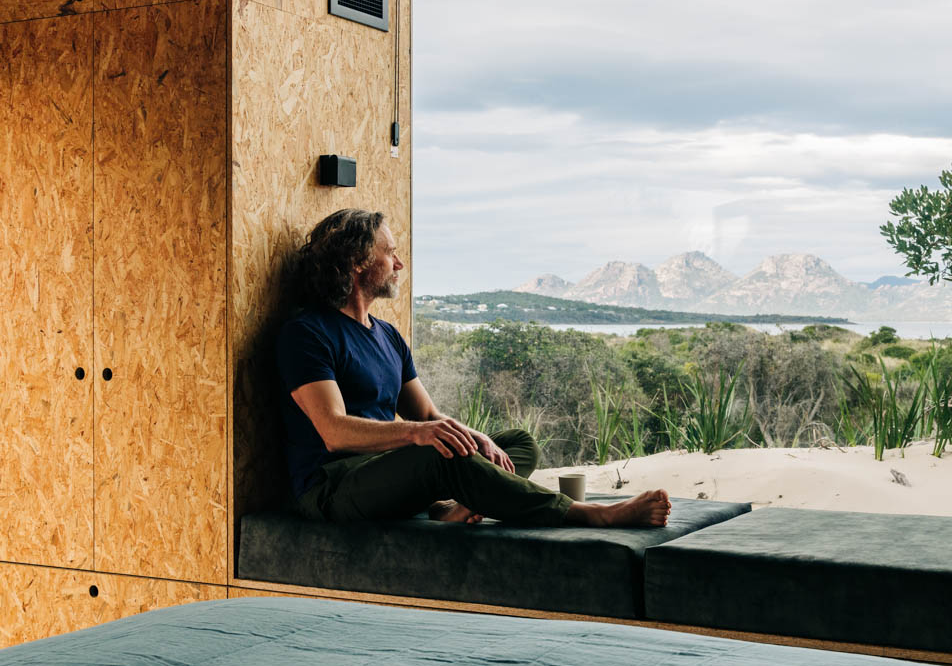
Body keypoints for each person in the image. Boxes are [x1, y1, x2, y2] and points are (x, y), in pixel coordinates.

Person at [277, 209, 672, 528]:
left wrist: (478, 437)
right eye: (389, 253)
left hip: (388, 473)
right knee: (439, 452)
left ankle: (449, 506)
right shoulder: (309, 333)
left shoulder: (388, 335)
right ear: (358, 262)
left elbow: (428, 414)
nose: (399, 263)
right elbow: (333, 431)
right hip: (334, 486)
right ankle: (587, 513)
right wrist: (420, 435)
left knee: (516, 443)